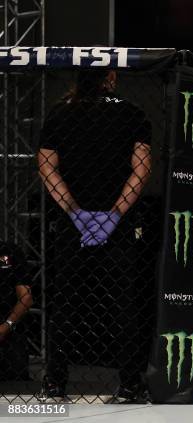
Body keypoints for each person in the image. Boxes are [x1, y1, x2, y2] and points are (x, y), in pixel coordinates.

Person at [37, 69, 153, 402]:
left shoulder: (61, 112)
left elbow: (46, 165)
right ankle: (131, 383)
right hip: (115, 223)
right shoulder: (132, 112)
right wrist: (113, 216)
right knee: (124, 302)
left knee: (65, 302)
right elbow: (141, 168)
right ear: (111, 77)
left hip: (74, 223)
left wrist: (75, 212)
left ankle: (54, 383)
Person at [0, 241, 33, 381]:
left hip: (9, 328)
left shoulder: (9, 250)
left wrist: (5, 326)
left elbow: (26, 298)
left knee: (16, 379)